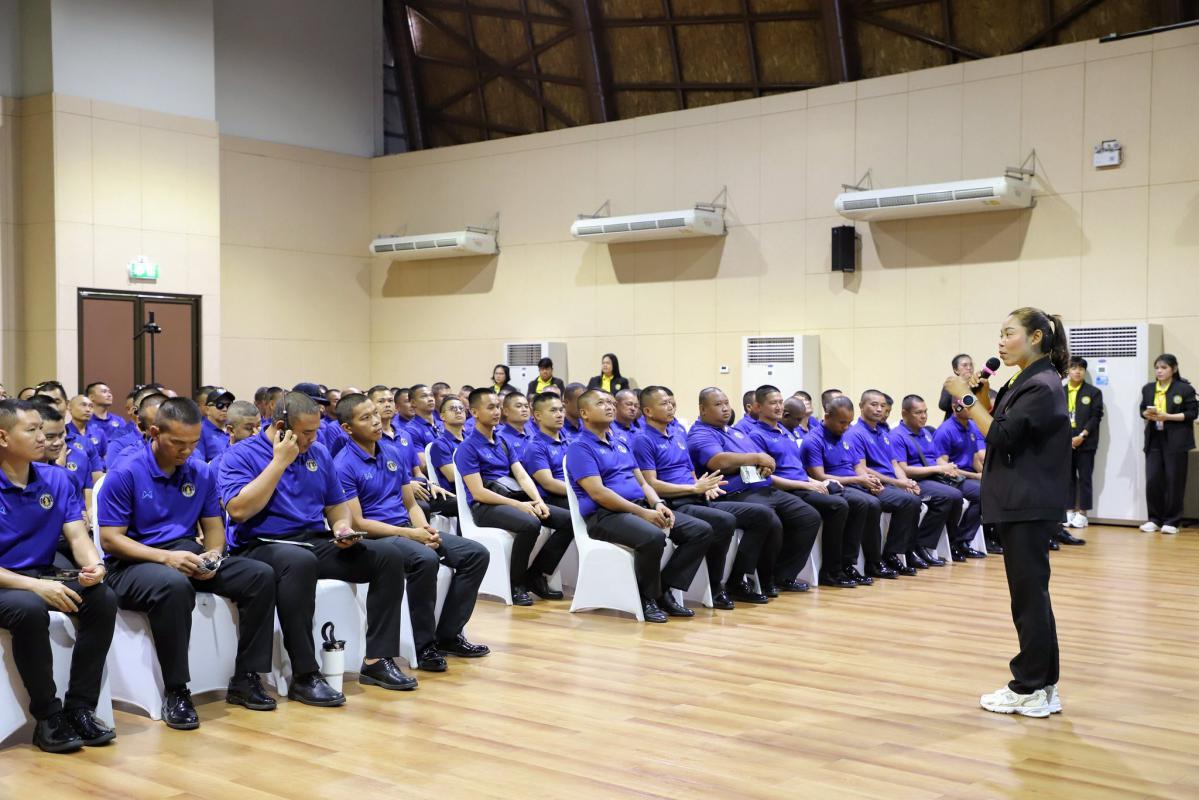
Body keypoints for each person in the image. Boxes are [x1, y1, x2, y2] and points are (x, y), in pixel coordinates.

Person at [218, 391, 413, 704]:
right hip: (262, 544)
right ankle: (305, 675)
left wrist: (342, 527)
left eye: (316, 431)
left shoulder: (318, 453)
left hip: (312, 540)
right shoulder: (241, 454)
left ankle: (377, 660)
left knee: (387, 556)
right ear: (280, 427)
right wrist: (279, 462)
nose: (313, 438)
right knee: (299, 561)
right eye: (306, 432)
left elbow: (336, 506)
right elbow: (239, 511)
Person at [98, 398, 278, 729]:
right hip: (132, 563)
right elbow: (110, 540)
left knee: (259, 575)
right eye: (178, 443)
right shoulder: (126, 473)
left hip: (185, 554)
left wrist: (213, 555)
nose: (187, 450)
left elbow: (213, 528)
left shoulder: (200, 471)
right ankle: (177, 690)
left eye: (194, 443)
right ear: (155, 433)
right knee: (174, 586)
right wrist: (165, 558)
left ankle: (246, 677)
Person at [942, 307, 1071, 716]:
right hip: (1023, 501)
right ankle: (1043, 685)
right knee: (1033, 597)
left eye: (1009, 333)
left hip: (1027, 502)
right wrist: (980, 395)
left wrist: (963, 395)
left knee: (1028, 598)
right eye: (999, 333)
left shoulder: (1042, 384)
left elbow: (999, 435)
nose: (1000, 341)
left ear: (1036, 337)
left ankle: (1028, 686)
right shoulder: (1026, 378)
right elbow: (1000, 421)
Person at [334, 394, 489, 671]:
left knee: (476, 554)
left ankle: (449, 635)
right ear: (347, 428)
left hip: (406, 530)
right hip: (376, 538)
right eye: (366, 418)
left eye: (375, 414)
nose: (376, 421)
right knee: (424, 560)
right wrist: (412, 535)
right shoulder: (343, 464)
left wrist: (423, 528)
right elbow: (358, 523)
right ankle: (424, 646)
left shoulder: (392, 452)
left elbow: (411, 504)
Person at [0, 399, 117, 753]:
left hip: (42, 574)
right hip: (9, 583)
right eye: (32, 430)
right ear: (3, 437)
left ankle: (80, 707)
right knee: (29, 609)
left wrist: (95, 566)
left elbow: (78, 536)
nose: (44, 438)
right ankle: (48, 717)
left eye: (44, 429)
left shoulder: (57, 478)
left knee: (101, 598)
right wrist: (37, 587)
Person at [567, 390, 717, 622]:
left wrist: (657, 503)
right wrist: (642, 512)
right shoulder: (580, 447)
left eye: (611, 402)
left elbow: (642, 482)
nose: (609, 406)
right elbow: (598, 493)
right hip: (605, 516)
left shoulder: (621, 443)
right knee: (652, 536)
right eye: (601, 403)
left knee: (700, 531)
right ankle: (647, 599)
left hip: (639, 507)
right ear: (584, 413)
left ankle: (663, 589)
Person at [634, 386, 775, 606]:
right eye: (664, 403)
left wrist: (704, 486)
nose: (670, 407)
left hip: (696, 497)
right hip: (673, 502)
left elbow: (690, 473)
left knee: (762, 515)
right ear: (648, 411)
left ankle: (737, 579)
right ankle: (706, 587)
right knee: (723, 521)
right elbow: (651, 484)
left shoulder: (678, 433)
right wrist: (693, 488)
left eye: (672, 402)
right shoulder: (643, 439)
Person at [688, 387, 821, 595]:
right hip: (734, 493)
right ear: (703, 409)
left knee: (809, 517)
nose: (725, 408)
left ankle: (784, 574)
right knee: (771, 521)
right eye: (718, 404)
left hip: (762, 487)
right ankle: (752, 579)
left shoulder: (736, 432)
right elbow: (718, 461)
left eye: (726, 403)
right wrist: (756, 459)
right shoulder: (701, 433)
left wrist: (765, 464)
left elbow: (763, 457)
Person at [453, 389, 572, 605]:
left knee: (568, 521)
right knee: (530, 524)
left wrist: (538, 500)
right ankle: (517, 584)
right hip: (485, 506)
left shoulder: (502, 442)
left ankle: (536, 574)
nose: (496, 412)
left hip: (512, 498)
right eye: (490, 407)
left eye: (498, 407)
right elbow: (478, 492)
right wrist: (518, 505)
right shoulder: (467, 448)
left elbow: (522, 476)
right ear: (475, 412)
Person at [747, 386, 860, 587]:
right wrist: (806, 485)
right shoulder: (756, 436)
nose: (779, 407)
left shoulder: (787, 432)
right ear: (758, 407)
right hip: (785, 489)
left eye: (780, 402)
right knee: (837, 506)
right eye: (773, 403)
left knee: (854, 500)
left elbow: (797, 469)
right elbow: (766, 477)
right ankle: (829, 571)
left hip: (802, 485)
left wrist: (817, 482)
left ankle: (844, 566)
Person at [800, 396, 897, 580]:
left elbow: (857, 466)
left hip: (852, 483)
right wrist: (858, 480)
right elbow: (819, 476)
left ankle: (873, 562)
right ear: (827, 417)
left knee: (874, 503)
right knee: (861, 503)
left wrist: (869, 480)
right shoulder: (813, 440)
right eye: (842, 422)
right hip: (832, 486)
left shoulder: (846, 436)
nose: (846, 427)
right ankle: (843, 565)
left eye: (849, 422)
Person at [891, 395, 981, 564]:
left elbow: (936, 459)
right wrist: (939, 469)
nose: (924, 416)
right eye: (918, 412)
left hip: (935, 477)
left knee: (964, 494)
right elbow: (904, 469)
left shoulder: (926, 433)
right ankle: (922, 544)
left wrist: (948, 468)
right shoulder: (897, 436)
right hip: (916, 480)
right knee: (950, 496)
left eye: (925, 412)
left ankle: (953, 541)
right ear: (904, 413)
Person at [845, 391, 925, 572]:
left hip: (890, 483)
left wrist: (906, 481)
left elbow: (894, 464)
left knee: (914, 498)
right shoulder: (855, 433)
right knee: (908, 501)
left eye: (882, 406)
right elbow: (863, 469)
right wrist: (897, 483)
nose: (879, 409)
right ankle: (891, 554)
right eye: (874, 405)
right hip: (873, 485)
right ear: (861, 406)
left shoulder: (883, 432)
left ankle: (906, 551)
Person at [1140, 353, 1197, 534]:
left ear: (1174, 369)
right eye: (1157, 367)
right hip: (1154, 439)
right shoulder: (1148, 388)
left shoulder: (1185, 389)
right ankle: (1154, 519)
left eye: (1164, 368)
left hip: (1176, 440)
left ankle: (1172, 521)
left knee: (1174, 480)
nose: (1159, 371)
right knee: (1153, 480)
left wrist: (1168, 417)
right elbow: (1142, 409)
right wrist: (1146, 414)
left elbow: (1192, 413)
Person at [934, 402, 996, 553]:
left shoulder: (972, 426)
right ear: (955, 407)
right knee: (981, 492)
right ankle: (960, 541)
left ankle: (987, 538)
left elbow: (974, 457)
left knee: (995, 486)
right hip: (952, 479)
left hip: (967, 476)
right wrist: (975, 475)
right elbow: (944, 467)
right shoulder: (945, 430)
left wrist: (986, 475)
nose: (971, 409)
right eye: (966, 405)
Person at [1062, 356, 1101, 540]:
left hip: (1086, 442)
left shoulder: (1093, 392)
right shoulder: (1060, 391)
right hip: (1064, 442)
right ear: (1068, 371)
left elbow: (1095, 416)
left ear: (1084, 371)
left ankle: (1083, 513)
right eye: (1073, 368)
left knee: (1085, 477)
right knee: (1067, 477)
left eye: (1081, 368)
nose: (1077, 371)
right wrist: (1066, 439)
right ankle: (1069, 510)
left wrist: (1082, 436)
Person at [208, 400, 261, 476]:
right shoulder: (218, 466)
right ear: (231, 430)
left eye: (258, 426)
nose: (256, 433)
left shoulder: (268, 454)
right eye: (249, 428)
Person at [938, 354, 996, 421]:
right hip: (955, 424)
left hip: (975, 424)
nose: (969, 368)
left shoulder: (977, 384)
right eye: (965, 365)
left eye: (971, 365)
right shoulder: (951, 384)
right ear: (956, 370)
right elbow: (943, 406)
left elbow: (992, 398)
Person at [430, 395, 469, 486]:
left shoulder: (471, 440)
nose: (458, 411)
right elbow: (452, 476)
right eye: (453, 409)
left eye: (461, 408)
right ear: (442, 416)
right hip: (457, 492)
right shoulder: (439, 444)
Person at [85, 382, 135, 447]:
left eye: (110, 392)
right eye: (104, 391)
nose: (109, 395)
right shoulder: (85, 420)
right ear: (91, 397)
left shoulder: (119, 420)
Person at [404, 385, 444, 461]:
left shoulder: (443, 424)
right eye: (424, 396)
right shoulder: (411, 430)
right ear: (413, 402)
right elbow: (424, 463)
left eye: (431, 395)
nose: (430, 399)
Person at [196, 387, 235, 463]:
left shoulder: (234, 428)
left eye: (228, 405)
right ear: (207, 409)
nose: (225, 409)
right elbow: (199, 465)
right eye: (220, 405)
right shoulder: (200, 430)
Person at [495, 392, 533, 461]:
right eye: (519, 406)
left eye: (526, 406)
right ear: (506, 411)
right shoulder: (500, 438)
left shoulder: (532, 433)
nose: (524, 409)